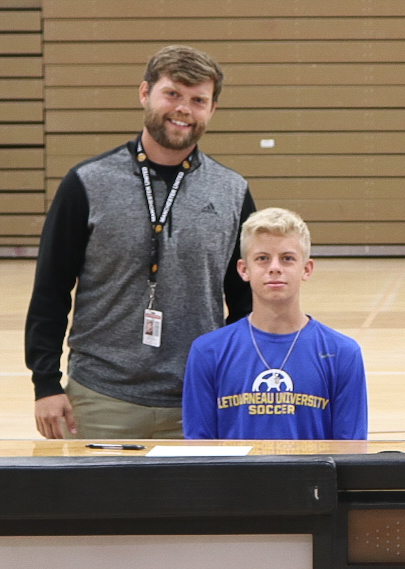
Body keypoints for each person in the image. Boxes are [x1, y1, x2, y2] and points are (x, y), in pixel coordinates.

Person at [25, 45, 255, 440]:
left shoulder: (232, 191)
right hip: (101, 398)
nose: (184, 108)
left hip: (198, 399)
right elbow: (50, 289)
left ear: (212, 110)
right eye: (172, 94)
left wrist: (233, 377)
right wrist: (45, 384)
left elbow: (246, 299)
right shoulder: (87, 183)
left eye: (198, 100)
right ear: (145, 93)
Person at [183, 207, 368, 440]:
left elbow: (350, 450)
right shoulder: (208, 351)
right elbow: (199, 449)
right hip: (235, 478)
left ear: (306, 269)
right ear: (243, 269)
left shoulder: (342, 353)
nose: (274, 268)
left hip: (312, 478)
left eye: (287, 258)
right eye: (262, 258)